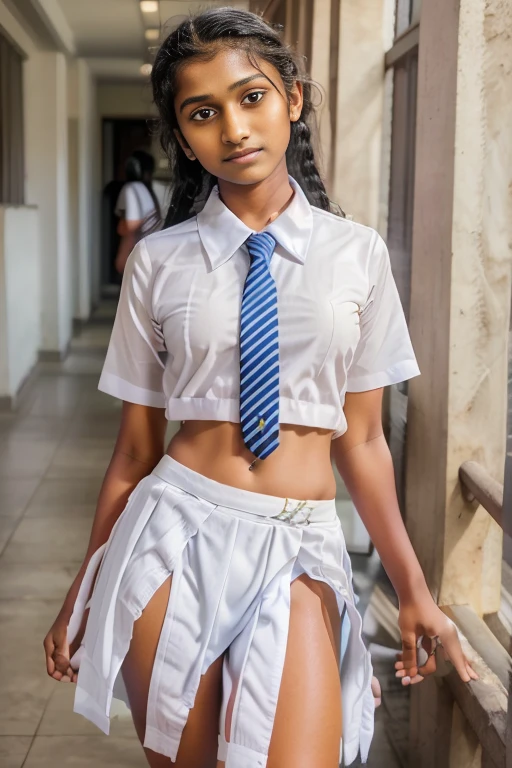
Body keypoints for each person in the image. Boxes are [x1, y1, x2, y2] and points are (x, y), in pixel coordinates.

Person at [43, 8, 479, 768]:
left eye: (252, 98)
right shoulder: (159, 260)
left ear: (294, 100)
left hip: (299, 542)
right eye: (203, 113)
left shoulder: (358, 256)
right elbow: (136, 450)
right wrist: (85, 583)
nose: (234, 128)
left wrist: (414, 588)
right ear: (183, 136)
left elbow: (366, 439)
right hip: (171, 534)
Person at [114, 149, 162, 274]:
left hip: (139, 255)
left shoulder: (132, 188)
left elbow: (131, 226)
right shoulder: (146, 190)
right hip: (152, 253)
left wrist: (122, 256)